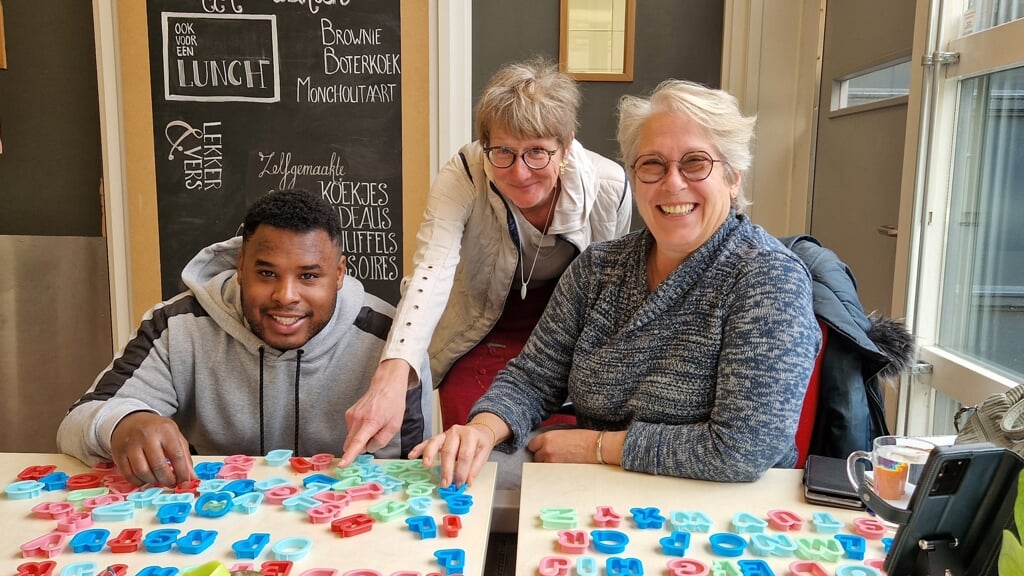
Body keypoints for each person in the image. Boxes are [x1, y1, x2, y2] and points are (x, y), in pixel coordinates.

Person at [410, 79, 822, 487]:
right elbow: (533, 378)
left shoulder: (769, 278)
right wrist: (482, 428)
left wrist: (597, 448)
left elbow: (741, 450)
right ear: (634, 175)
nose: (672, 183)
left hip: (724, 511)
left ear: (734, 178)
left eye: (695, 162)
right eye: (652, 164)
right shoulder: (600, 267)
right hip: (604, 495)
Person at [338, 58, 632, 466]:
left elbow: (611, 298)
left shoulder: (610, 186)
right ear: (484, 146)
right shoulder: (463, 174)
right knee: (476, 454)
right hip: (479, 324)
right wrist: (392, 379)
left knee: (559, 455)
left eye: (537, 153)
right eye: (503, 152)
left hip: (565, 333)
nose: (520, 172)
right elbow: (431, 270)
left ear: (566, 146)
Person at [56, 188, 433, 488]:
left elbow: (414, 470)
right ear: (240, 267)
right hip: (205, 530)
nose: (286, 295)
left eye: (308, 276)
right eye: (267, 274)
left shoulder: (394, 343)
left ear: (338, 274)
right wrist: (125, 422)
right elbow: (76, 424)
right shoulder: (176, 325)